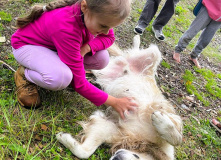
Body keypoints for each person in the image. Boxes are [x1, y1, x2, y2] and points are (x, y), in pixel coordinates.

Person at [11, 0, 137, 119]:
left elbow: (109, 37)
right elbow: (80, 84)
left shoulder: (93, 15)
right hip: (27, 47)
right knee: (60, 78)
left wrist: (87, 47)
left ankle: (59, 66)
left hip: (56, 48)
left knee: (102, 59)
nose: (105, 31)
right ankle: (24, 75)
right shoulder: (66, 27)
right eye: (103, 26)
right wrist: (114, 102)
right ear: (84, 6)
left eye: (109, 27)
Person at [173, 0, 221, 68]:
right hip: (209, 6)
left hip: (219, 19)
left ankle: (194, 55)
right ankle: (178, 50)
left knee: (206, 39)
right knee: (192, 31)